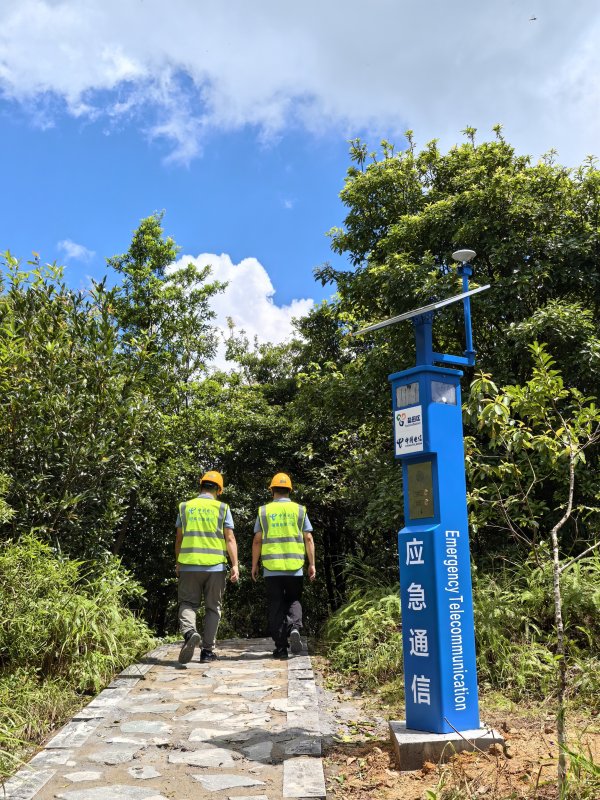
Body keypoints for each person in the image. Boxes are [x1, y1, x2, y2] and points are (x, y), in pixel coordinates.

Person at [175, 470, 239, 664]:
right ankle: (207, 652)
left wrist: (178, 562)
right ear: (219, 490)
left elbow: (179, 539)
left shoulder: (185, 507)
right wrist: (235, 565)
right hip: (215, 567)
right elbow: (229, 538)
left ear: (200, 485)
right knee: (213, 608)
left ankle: (190, 633)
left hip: (189, 565)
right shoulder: (222, 508)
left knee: (187, 603)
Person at [251, 472, 316, 659]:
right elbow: (308, 538)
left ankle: (280, 648)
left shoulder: (264, 511)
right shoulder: (299, 510)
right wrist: (312, 564)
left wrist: (254, 565)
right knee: (294, 600)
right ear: (289, 490)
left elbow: (257, 540)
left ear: (272, 490)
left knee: (276, 605)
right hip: (295, 567)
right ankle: (294, 627)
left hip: (272, 568)